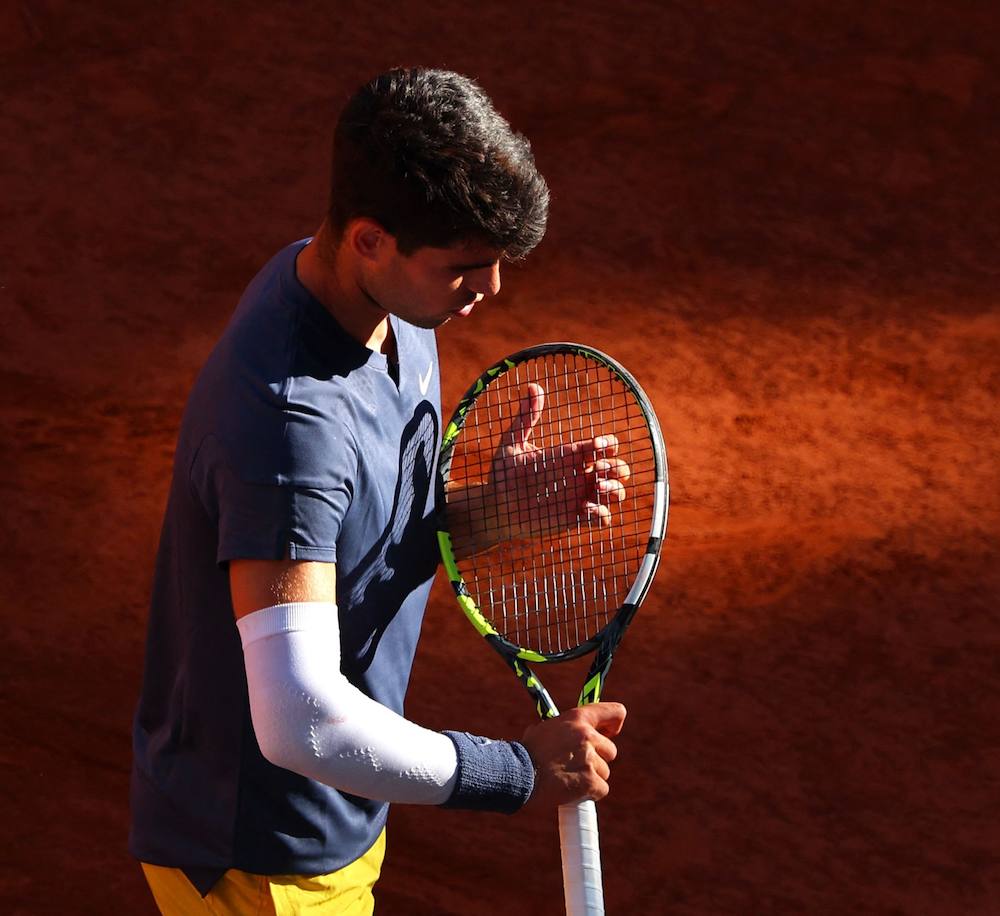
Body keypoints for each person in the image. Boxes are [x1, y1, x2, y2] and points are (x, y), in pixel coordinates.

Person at [129, 67, 628, 913]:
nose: (491, 289)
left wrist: (484, 517)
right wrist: (515, 770)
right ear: (368, 239)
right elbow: (301, 720)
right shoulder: (285, 422)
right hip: (261, 862)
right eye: (466, 266)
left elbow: (350, 536)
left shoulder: (382, 308)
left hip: (334, 815)